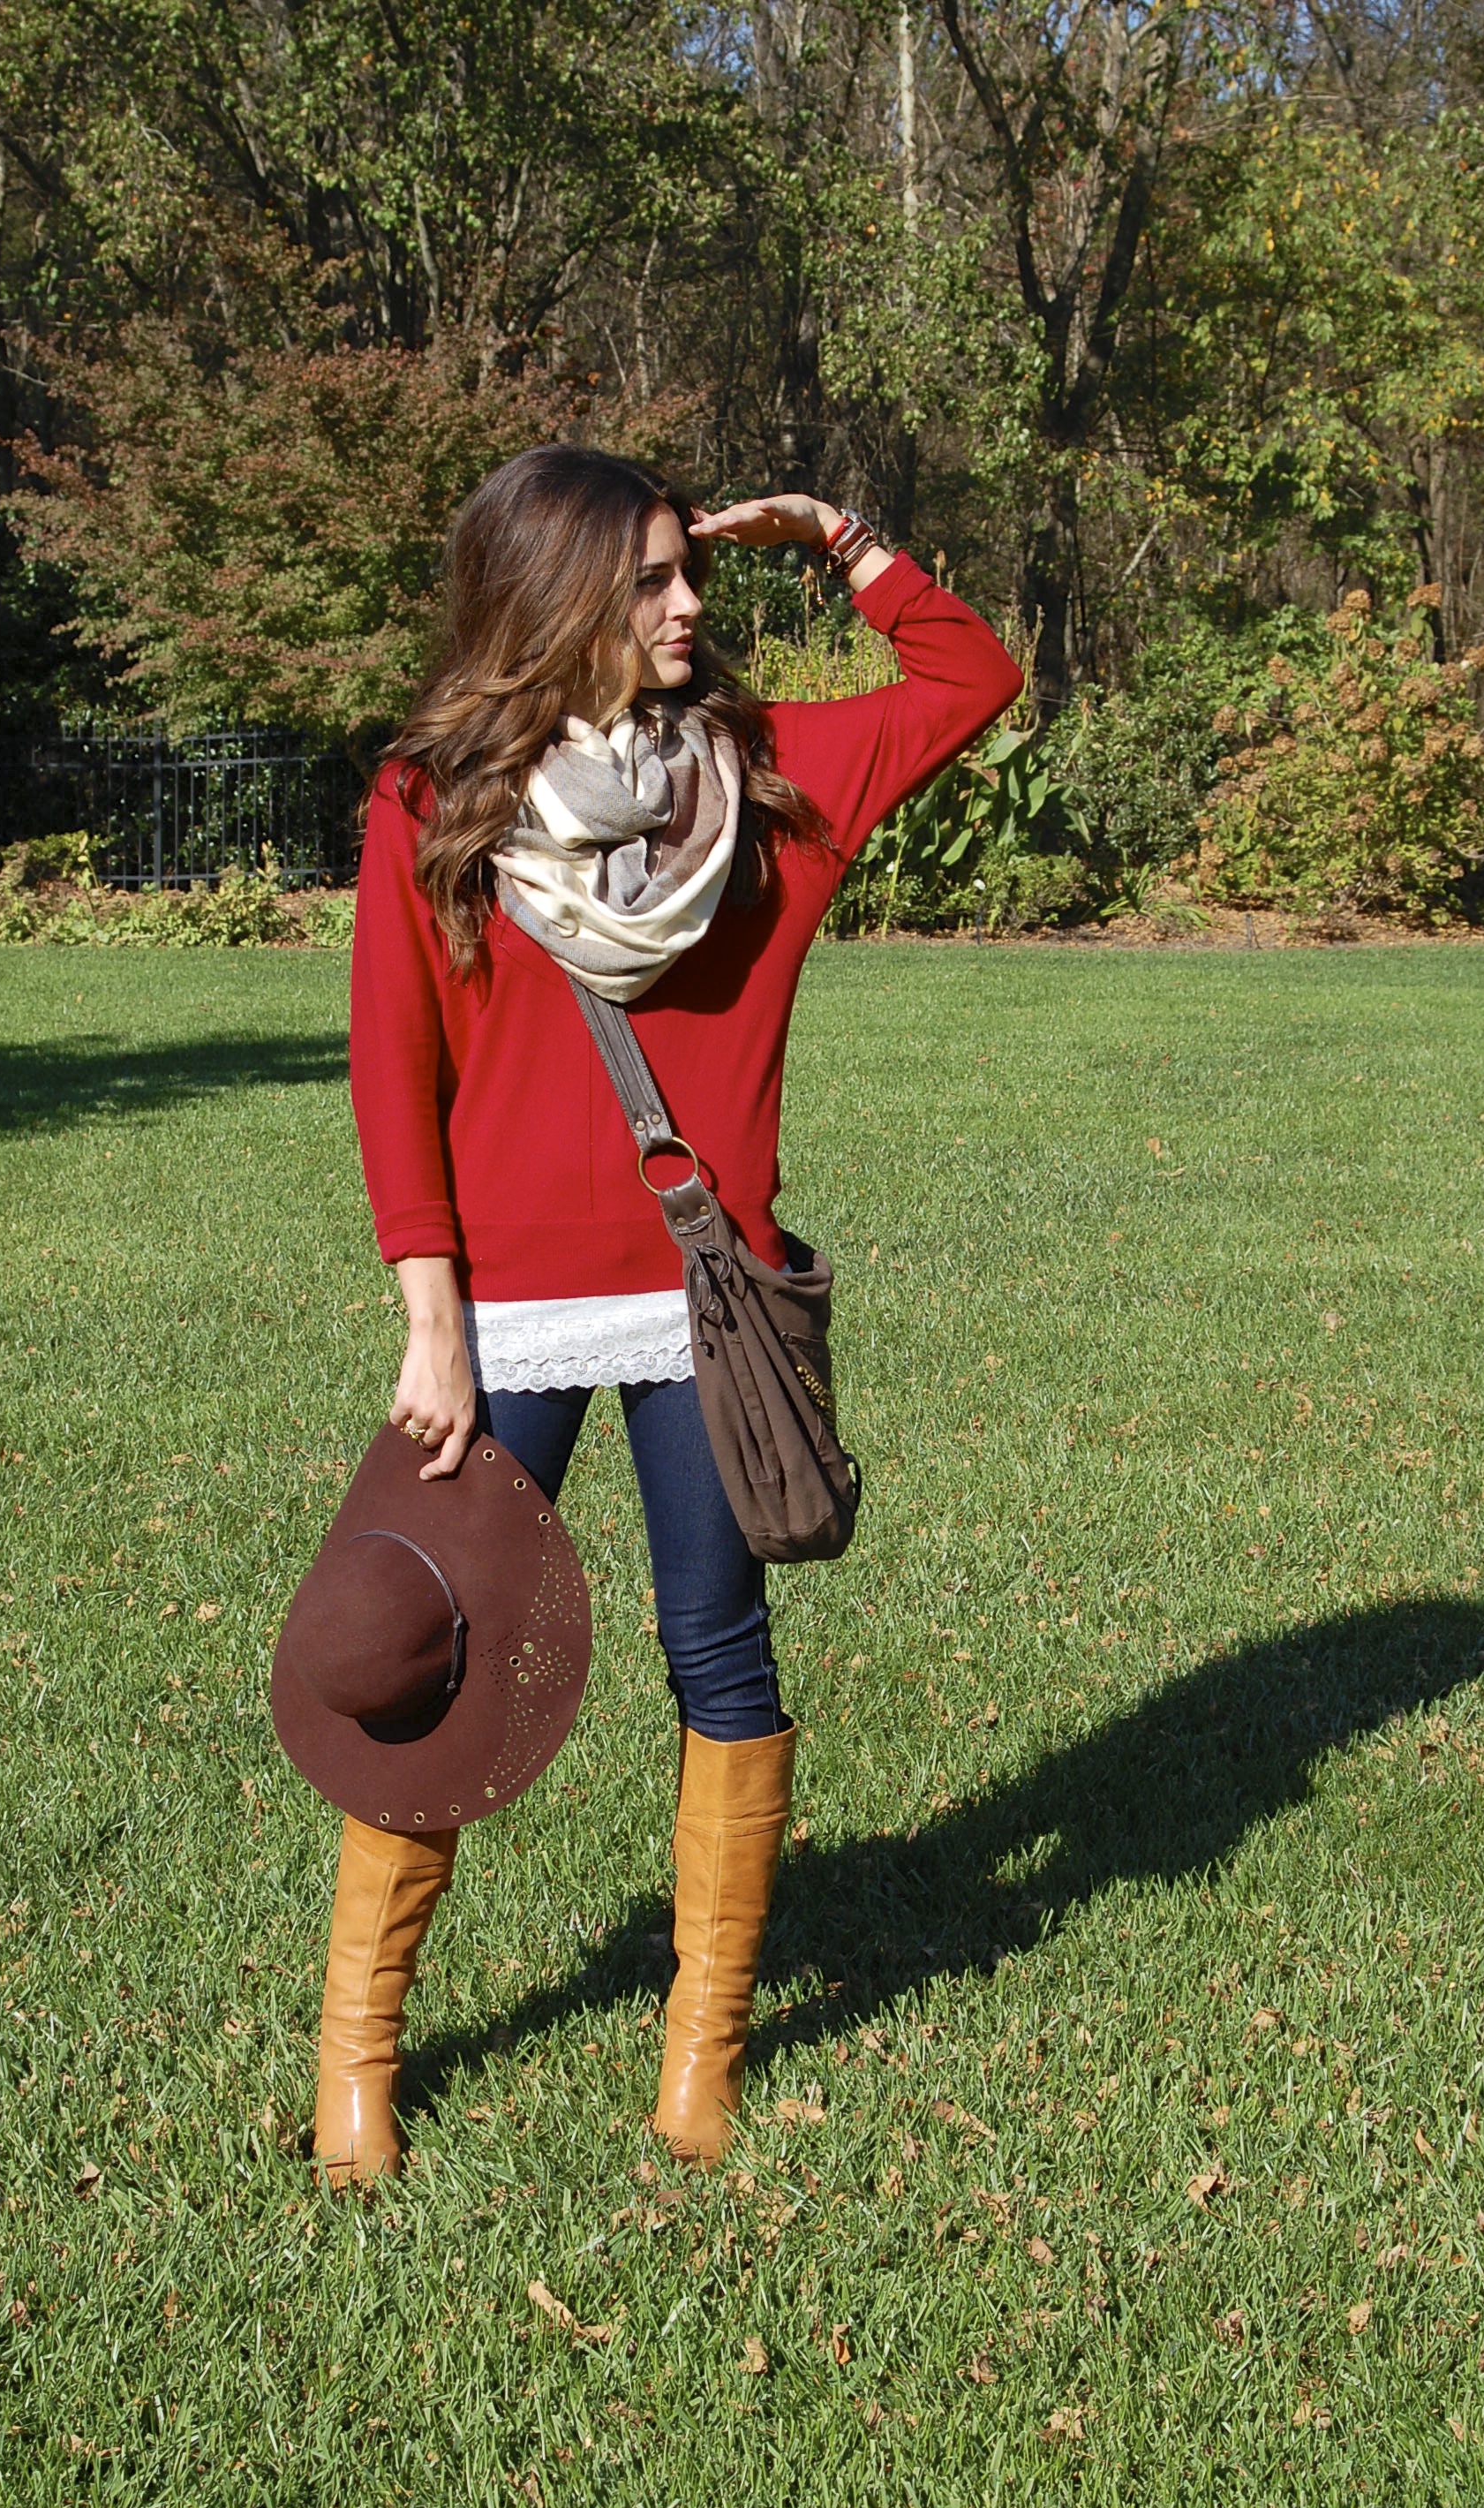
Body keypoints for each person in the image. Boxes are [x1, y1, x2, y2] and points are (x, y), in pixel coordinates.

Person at [317, 445, 1021, 2183]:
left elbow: (971, 679)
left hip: (706, 1312)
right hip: (505, 1314)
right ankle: (357, 2065)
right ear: (554, 594)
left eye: (687, 571)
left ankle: (701, 2061)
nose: (689, 603)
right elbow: (396, 1074)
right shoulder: (432, 801)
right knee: (422, 1665)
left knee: (720, 1654)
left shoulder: (769, 783)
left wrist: (839, 535)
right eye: (649, 580)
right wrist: (429, 1315)